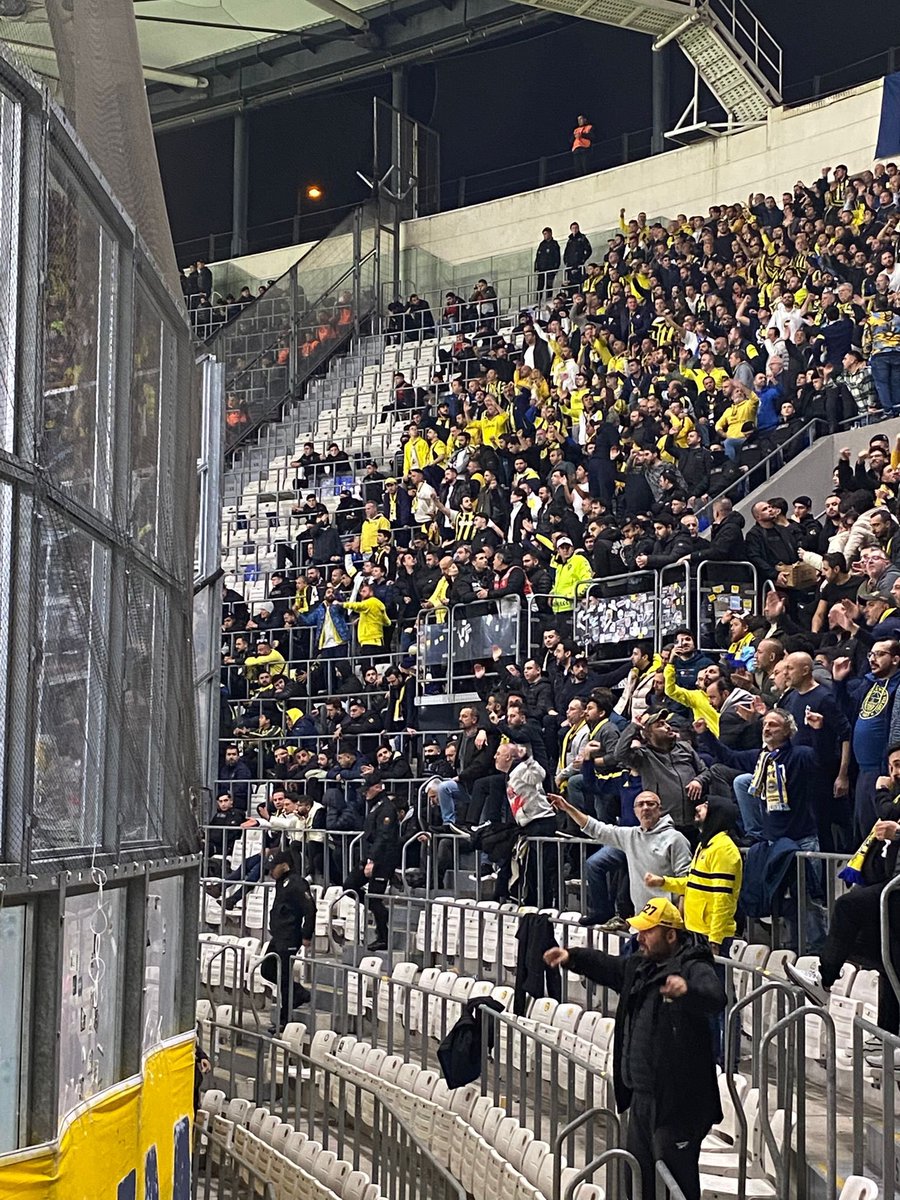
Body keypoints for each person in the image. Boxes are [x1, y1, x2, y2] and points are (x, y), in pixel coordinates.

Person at [544, 898, 725, 1200]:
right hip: (641, 1096)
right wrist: (572, 957)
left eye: (648, 932)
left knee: (675, 1183)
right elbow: (609, 966)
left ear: (671, 935)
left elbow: (715, 997)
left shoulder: (694, 966)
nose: (640, 938)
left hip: (678, 1104)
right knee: (638, 1180)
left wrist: (687, 991)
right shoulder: (641, 967)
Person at [787, 743, 900, 1040]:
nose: (895, 772)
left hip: (896, 891)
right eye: (892, 766)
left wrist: (884, 800)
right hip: (889, 889)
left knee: (847, 907)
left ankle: (824, 980)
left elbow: (888, 812)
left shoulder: (891, 801)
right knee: (888, 961)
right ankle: (887, 1039)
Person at [552, 788, 692, 932]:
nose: (645, 808)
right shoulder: (630, 835)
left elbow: (686, 883)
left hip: (667, 922)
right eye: (641, 804)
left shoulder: (676, 839)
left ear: (660, 809)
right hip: (641, 920)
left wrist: (680, 924)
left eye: (651, 804)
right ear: (635, 811)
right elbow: (596, 828)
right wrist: (568, 808)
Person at [342, 779, 401, 950]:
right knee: (349, 885)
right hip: (372, 855)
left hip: (383, 860)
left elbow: (384, 837)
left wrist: (372, 860)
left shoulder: (387, 808)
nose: (365, 793)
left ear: (378, 787)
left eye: (368, 789)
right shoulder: (376, 805)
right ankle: (379, 911)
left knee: (375, 898)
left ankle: (383, 936)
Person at [259, 850, 315, 1032]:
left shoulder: (297, 883)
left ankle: (285, 1019)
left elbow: (310, 909)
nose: (270, 872)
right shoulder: (281, 882)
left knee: (283, 977)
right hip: (278, 936)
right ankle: (299, 992)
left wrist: (306, 935)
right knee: (267, 969)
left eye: (273, 868)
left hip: (290, 936)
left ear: (284, 866)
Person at [534, 227, 561, 301]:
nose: (545, 236)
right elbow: (538, 256)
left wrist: (555, 269)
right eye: (544, 234)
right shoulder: (542, 244)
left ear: (550, 233)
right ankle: (538, 301)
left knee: (549, 286)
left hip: (550, 270)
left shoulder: (554, 244)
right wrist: (536, 267)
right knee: (540, 286)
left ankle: (548, 299)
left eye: (546, 234)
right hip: (541, 269)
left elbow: (557, 257)